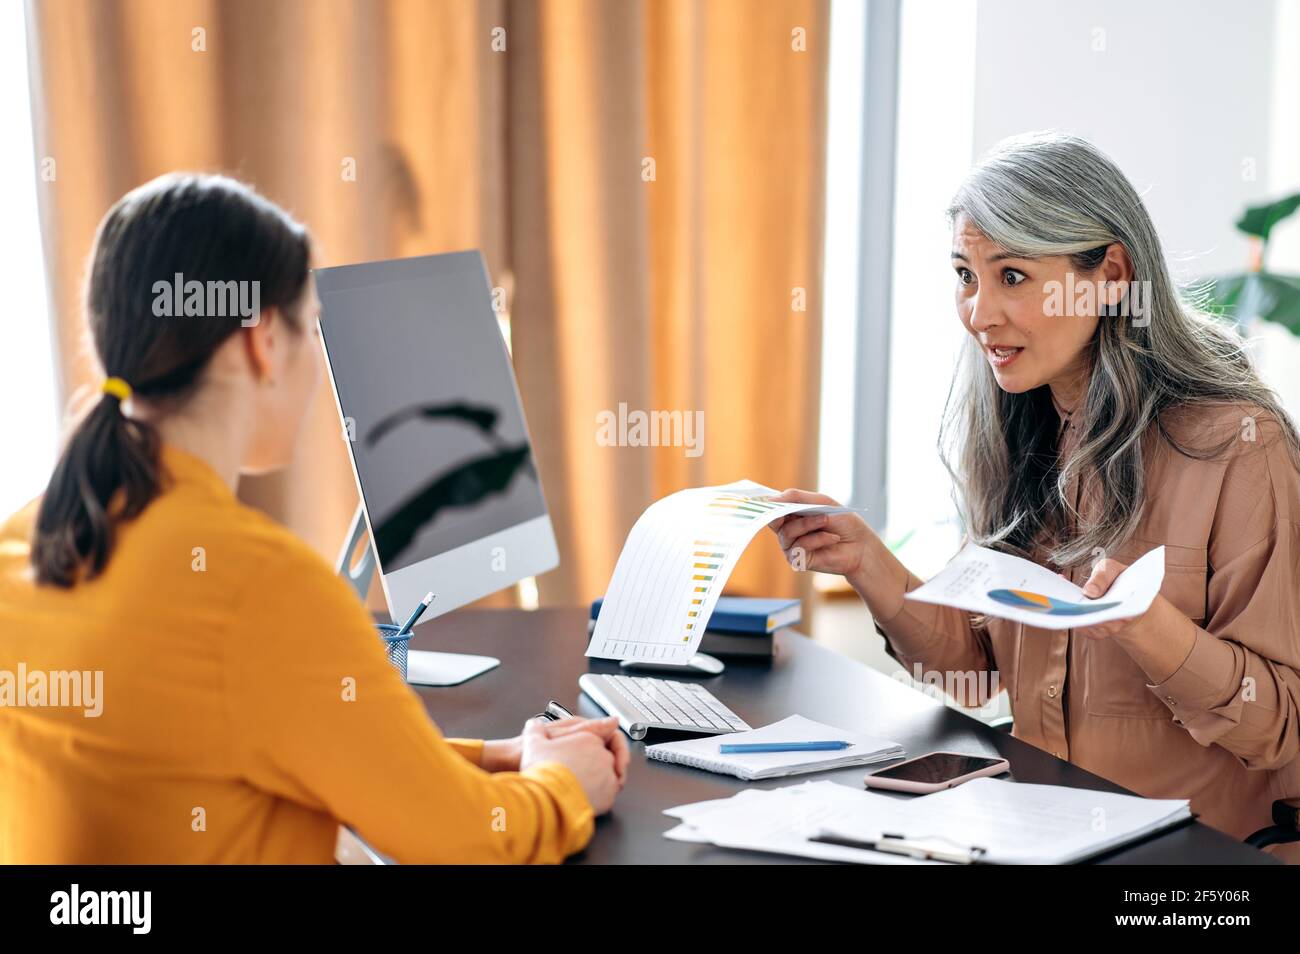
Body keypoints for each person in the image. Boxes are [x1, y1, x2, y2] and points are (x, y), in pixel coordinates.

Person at [0, 173, 627, 863]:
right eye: (313, 325)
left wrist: (500, 756)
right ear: (263, 341)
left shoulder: (27, 538)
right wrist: (564, 785)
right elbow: (468, 844)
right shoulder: (260, 589)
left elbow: (257, 740)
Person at [773, 133, 1300, 861]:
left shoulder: (1239, 445)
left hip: (1195, 860)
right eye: (965, 274)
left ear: (1110, 274)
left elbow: (1277, 724)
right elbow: (973, 667)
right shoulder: (1018, 426)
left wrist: (1150, 630)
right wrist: (869, 564)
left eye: (1012, 276)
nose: (978, 312)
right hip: (1035, 835)